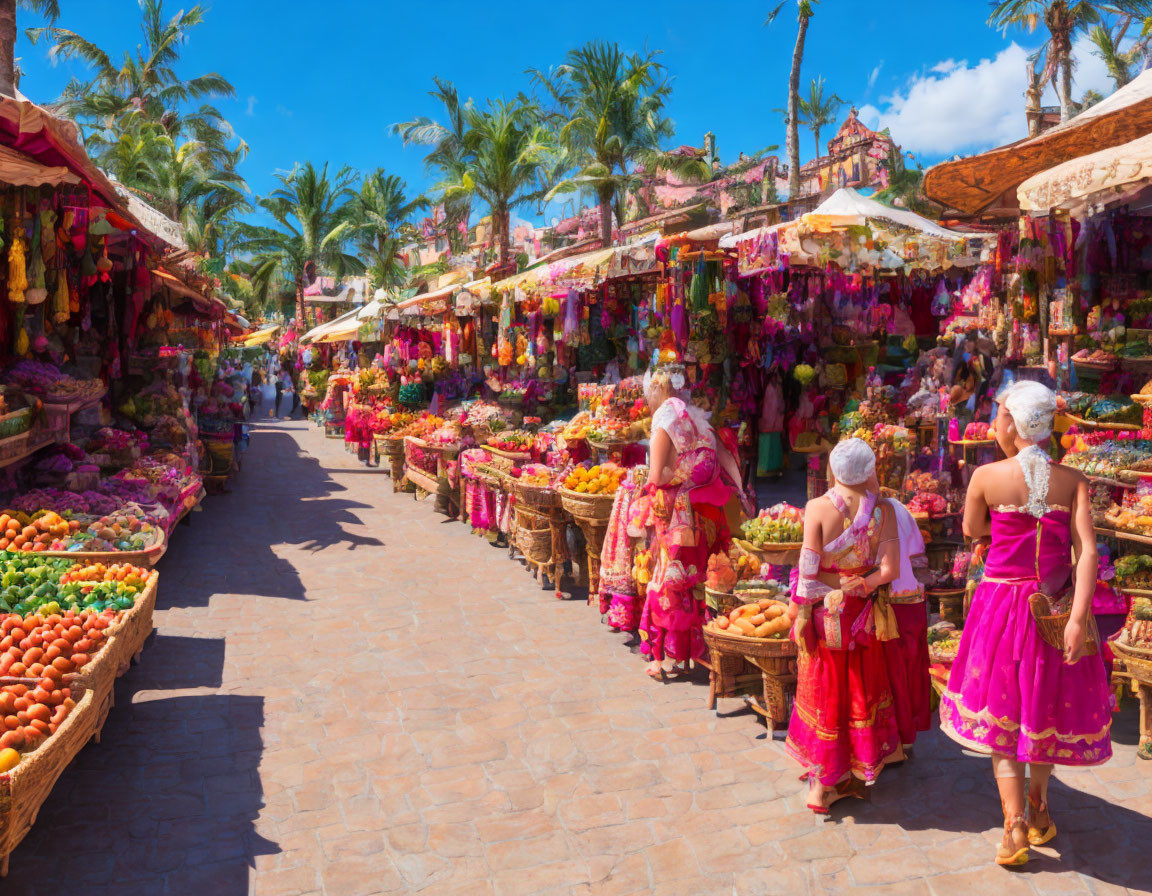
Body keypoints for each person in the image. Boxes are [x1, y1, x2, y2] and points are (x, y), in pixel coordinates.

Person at [939, 381, 1112, 868]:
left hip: (1000, 609)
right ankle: (1037, 810)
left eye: (998, 415)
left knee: (1004, 716)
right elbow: (1088, 554)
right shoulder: (1073, 480)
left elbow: (974, 530)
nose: (995, 423)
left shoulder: (985, 477)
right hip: (1054, 611)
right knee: (1042, 710)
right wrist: (1078, 618)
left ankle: (1013, 827)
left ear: (1013, 423)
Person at [786, 438, 904, 813]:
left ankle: (824, 779)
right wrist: (861, 585)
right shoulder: (881, 511)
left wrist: (800, 613)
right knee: (857, 689)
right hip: (861, 615)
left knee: (825, 690)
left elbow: (807, 572)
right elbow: (890, 570)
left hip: (823, 614)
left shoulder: (817, 508)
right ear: (870, 470)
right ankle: (843, 776)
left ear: (833, 470)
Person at [636, 362, 743, 678]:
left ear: (658, 389)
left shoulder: (664, 418)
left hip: (678, 513)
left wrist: (654, 484)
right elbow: (727, 461)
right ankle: (709, 644)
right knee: (707, 575)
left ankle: (662, 655)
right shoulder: (698, 419)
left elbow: (657, 475)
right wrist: (743, 496)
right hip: (711, 511)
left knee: (669, 577)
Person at [757, 370, 785, 479]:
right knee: (767, 446)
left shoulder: (777, 388)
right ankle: (765, 469)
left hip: (775, 422)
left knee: (774, 446)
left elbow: (779, 405)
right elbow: (768, 408)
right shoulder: (769, 389)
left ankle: (774, 468)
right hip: (768, 422)